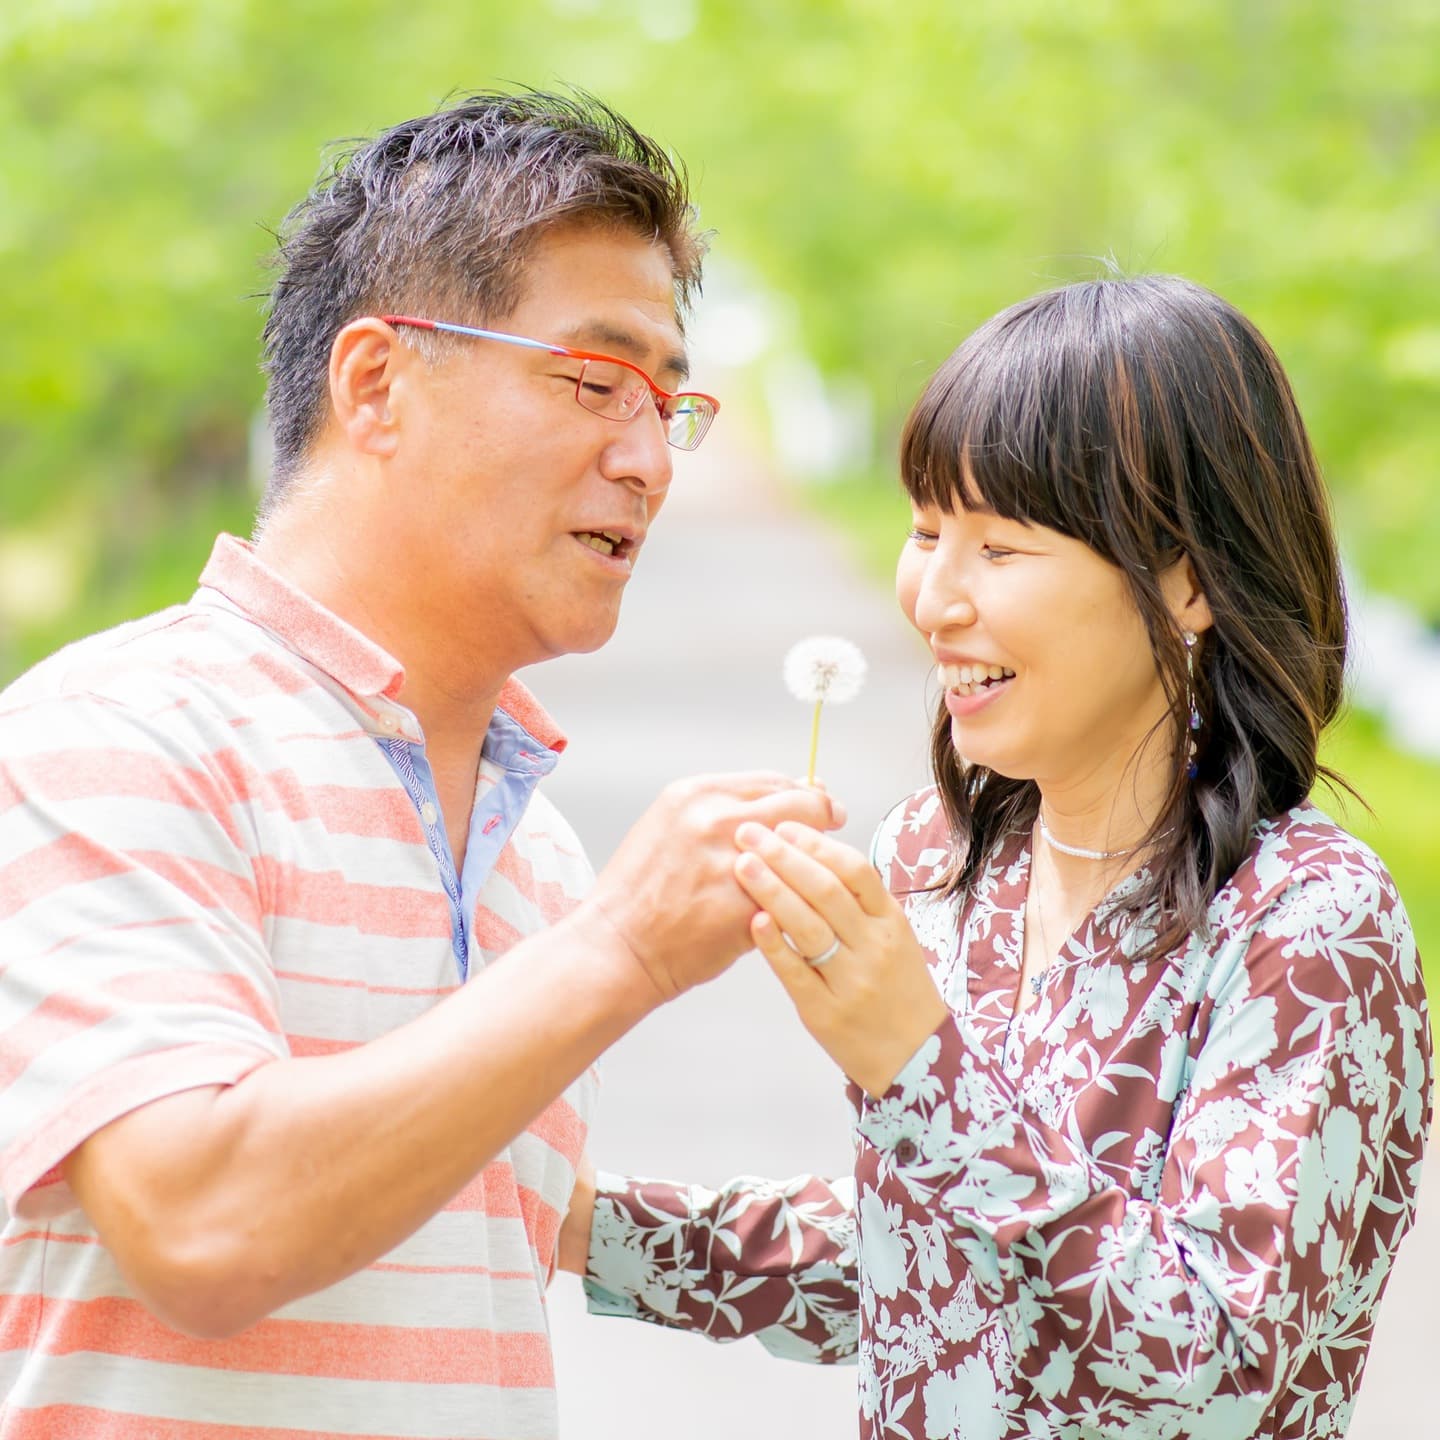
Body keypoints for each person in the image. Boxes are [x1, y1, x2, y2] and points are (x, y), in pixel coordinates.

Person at [0, 90, 843, 1440]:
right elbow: (200, 1226)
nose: (645, 460)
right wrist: (624, 954)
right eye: (593, 379)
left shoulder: (538, 856)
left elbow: (494, 1250)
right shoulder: (113, 736)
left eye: (670, 405)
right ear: (378, 383)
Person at [567, 276, 1434, 1440]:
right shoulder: (938, 858)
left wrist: (917, 1069)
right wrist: (576, 1222)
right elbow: (929, 1273)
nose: (935, 597)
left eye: (1001, 547)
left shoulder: (1308, 922)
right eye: (928, 532)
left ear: (1186, 578)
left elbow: (1222, 1369)